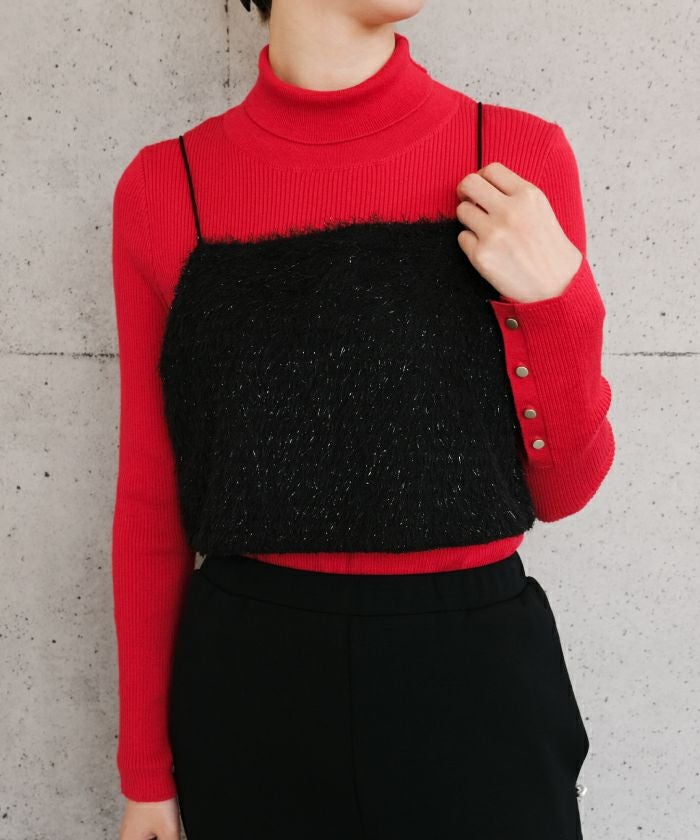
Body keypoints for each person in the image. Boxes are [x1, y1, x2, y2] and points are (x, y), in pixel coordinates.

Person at [111, 1, 615, 838]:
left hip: (477, 691)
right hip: (250, 693)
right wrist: (145, 774)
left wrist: (560, 303)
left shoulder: (514, 158)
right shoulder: (169, 186)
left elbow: (566, 490)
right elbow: (150, 499)